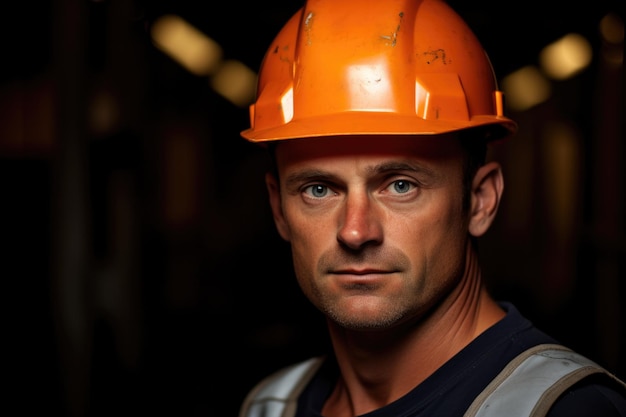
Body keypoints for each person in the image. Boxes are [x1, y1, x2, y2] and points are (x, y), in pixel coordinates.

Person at [236, 0, 626, 416]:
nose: (355, 231)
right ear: (279, 209)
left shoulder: (562, 410)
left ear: (480, 200)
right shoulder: (271, 405)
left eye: (401, 186)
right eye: (318, 190)